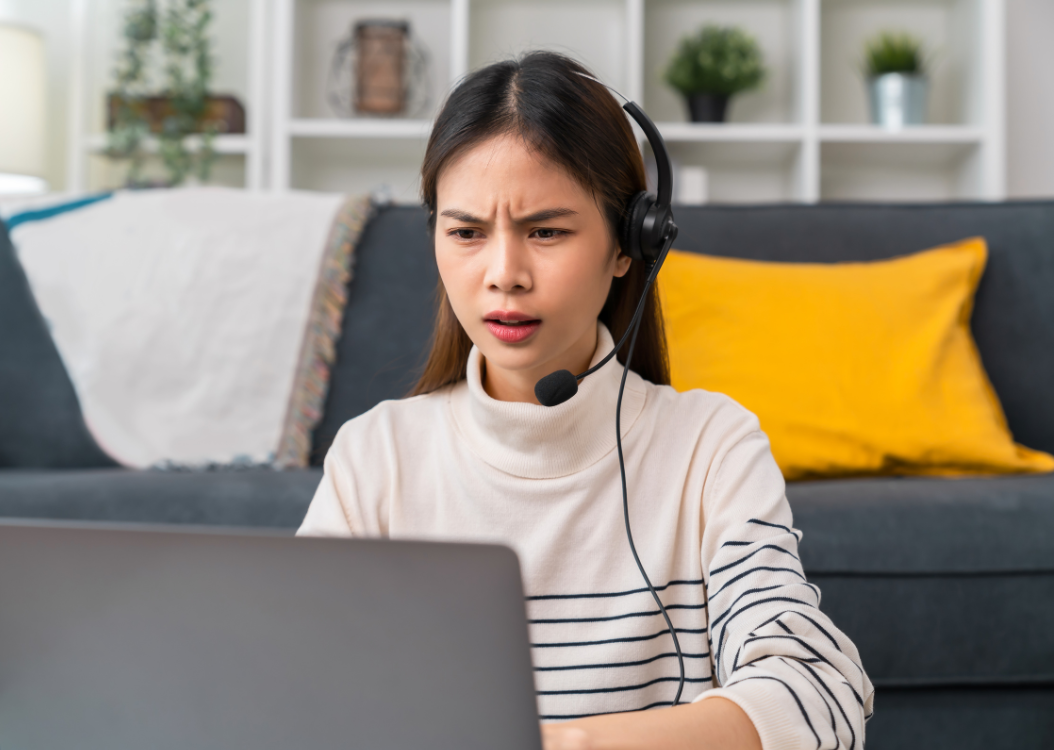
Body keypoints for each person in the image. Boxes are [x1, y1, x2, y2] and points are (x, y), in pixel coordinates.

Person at [298, 51, 874, 750]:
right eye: (466, 232)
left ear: (631, 244)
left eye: (546, 231)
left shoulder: (710, 444)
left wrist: (567, 744)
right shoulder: (376, 457)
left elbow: (817, 691)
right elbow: (307, 696)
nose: (503, 274)